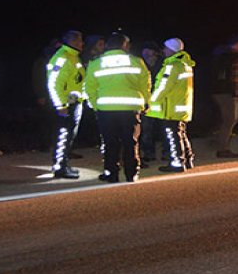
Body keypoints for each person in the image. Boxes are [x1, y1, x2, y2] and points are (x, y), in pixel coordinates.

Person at [84, 32, 151, 183]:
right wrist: (146, 102)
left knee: (110, 142)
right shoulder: (136, 61)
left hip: (106, 110)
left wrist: (96, 105)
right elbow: (145, 85)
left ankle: (111, 173)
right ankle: (131, 173)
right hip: (130, 108)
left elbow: (89, 88)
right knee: (131, 142)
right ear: (125, 45)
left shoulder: (96, 63)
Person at [146, 38, 197, 173]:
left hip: (171, 108)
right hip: (180, 106)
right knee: (181, 133)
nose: (163, 50)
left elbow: (163, 87)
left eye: (165, 48)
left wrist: (150, 102)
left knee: (172, 135)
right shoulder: (184, 64)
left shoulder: (173, 66)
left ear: (172, 49)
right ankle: (187, 159)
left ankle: (176, 162)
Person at [45, 30, 87, 179]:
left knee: (67, 136)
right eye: (80, 41)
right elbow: (53, 83)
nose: (82, 44)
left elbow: (76, 82)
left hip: (73, 103)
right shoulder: (63, 58)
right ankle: (60, 168)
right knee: (63, 136)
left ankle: (63, 164)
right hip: (66, 106)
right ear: (72, 41)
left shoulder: (73, 57)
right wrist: (60, 105)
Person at [211, 34, 238, 158]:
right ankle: (222, 149)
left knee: (235, 116)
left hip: (226, 91)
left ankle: (220, 136)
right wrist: (233, 82)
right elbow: (226, 75)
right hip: (225, 92)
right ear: (236, 43)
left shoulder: (228, 55)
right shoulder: (228, 56)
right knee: (229, 119)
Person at [31, 37, 61, 151]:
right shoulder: (43, 60)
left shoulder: (59, 59)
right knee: (47, 121)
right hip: (47, 95)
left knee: (58, 122)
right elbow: (38, 78)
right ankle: (45, 145)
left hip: (58, 95)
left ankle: (57, 145)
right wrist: (40, 95)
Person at [139, 41, 164, 163]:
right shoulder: (140, 64)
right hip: (146, 101)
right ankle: (149, 153)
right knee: (146, 129)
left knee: (163, 127)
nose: (149, 54)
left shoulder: (162, 64)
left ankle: (166, 152)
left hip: (161, 101)